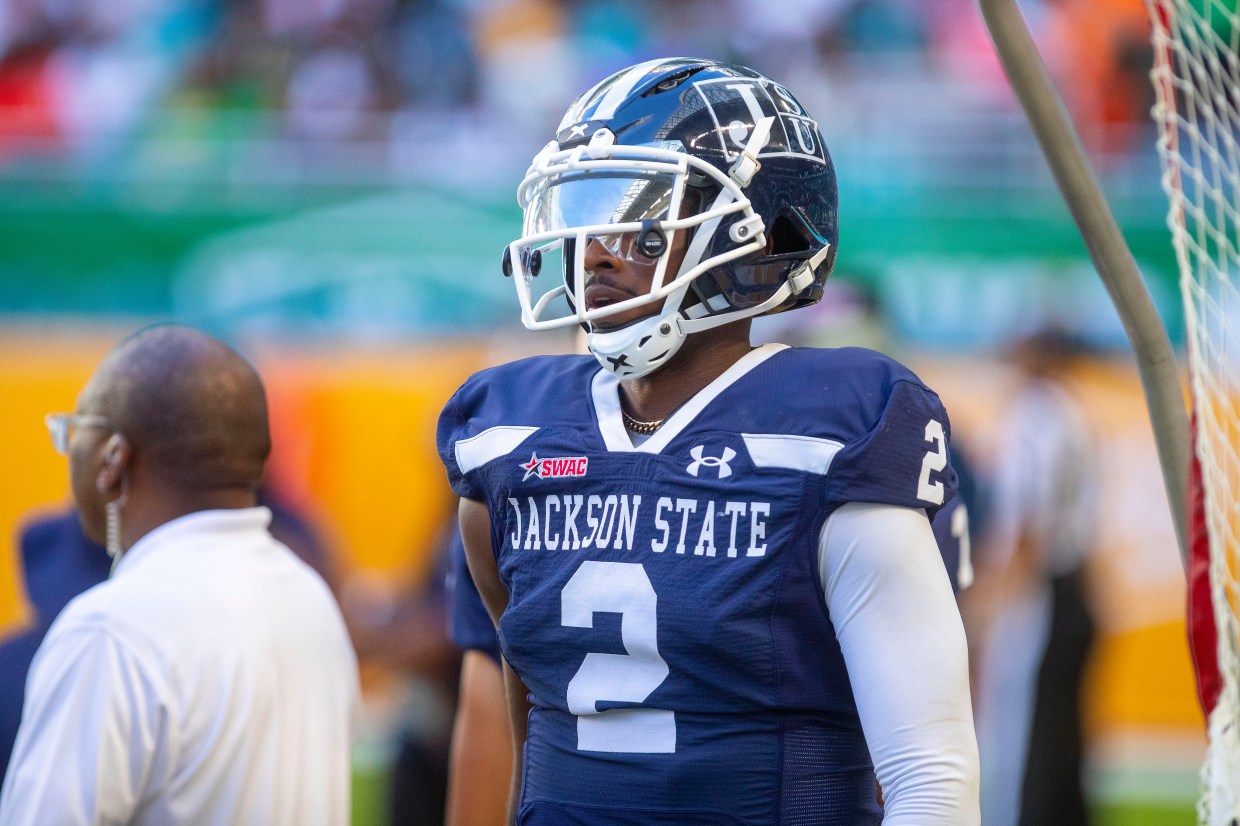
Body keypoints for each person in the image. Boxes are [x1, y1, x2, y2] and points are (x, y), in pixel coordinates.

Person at [436, 58, 979, 824]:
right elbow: (520, 722)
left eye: (637, 215)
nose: (593, 249)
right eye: (584, 211)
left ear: (753, 232)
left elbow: (929, 778)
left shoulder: (829, 433)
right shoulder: (507, 436)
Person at [0, 325, 360, 826]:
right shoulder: (308, 596)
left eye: (74, 430)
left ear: (112, 459)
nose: (70, 451)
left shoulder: (109, 629)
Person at [968, 327, 1098, 826]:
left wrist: (999, 593)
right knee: (1054, 732)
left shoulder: (1037, 415)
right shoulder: (1069, 410)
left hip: (1037, 587)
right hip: (1064, 583)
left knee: (1017, 730)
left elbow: (1028, 518)